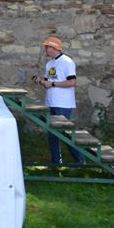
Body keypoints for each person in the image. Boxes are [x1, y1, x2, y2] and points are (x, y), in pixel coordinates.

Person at [32, 37, 84, 165]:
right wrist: (40, 82)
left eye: (47, 47)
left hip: (63, 104)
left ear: (55, 48)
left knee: (65, 134)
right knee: (52, 134)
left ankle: (80, 160)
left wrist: (53, 84)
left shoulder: (67, 61)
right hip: (50, 102)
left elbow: (72, 82)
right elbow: (48, 84)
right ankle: (56, 162)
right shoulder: (49, 64)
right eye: (46, 47)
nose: (46, 49)